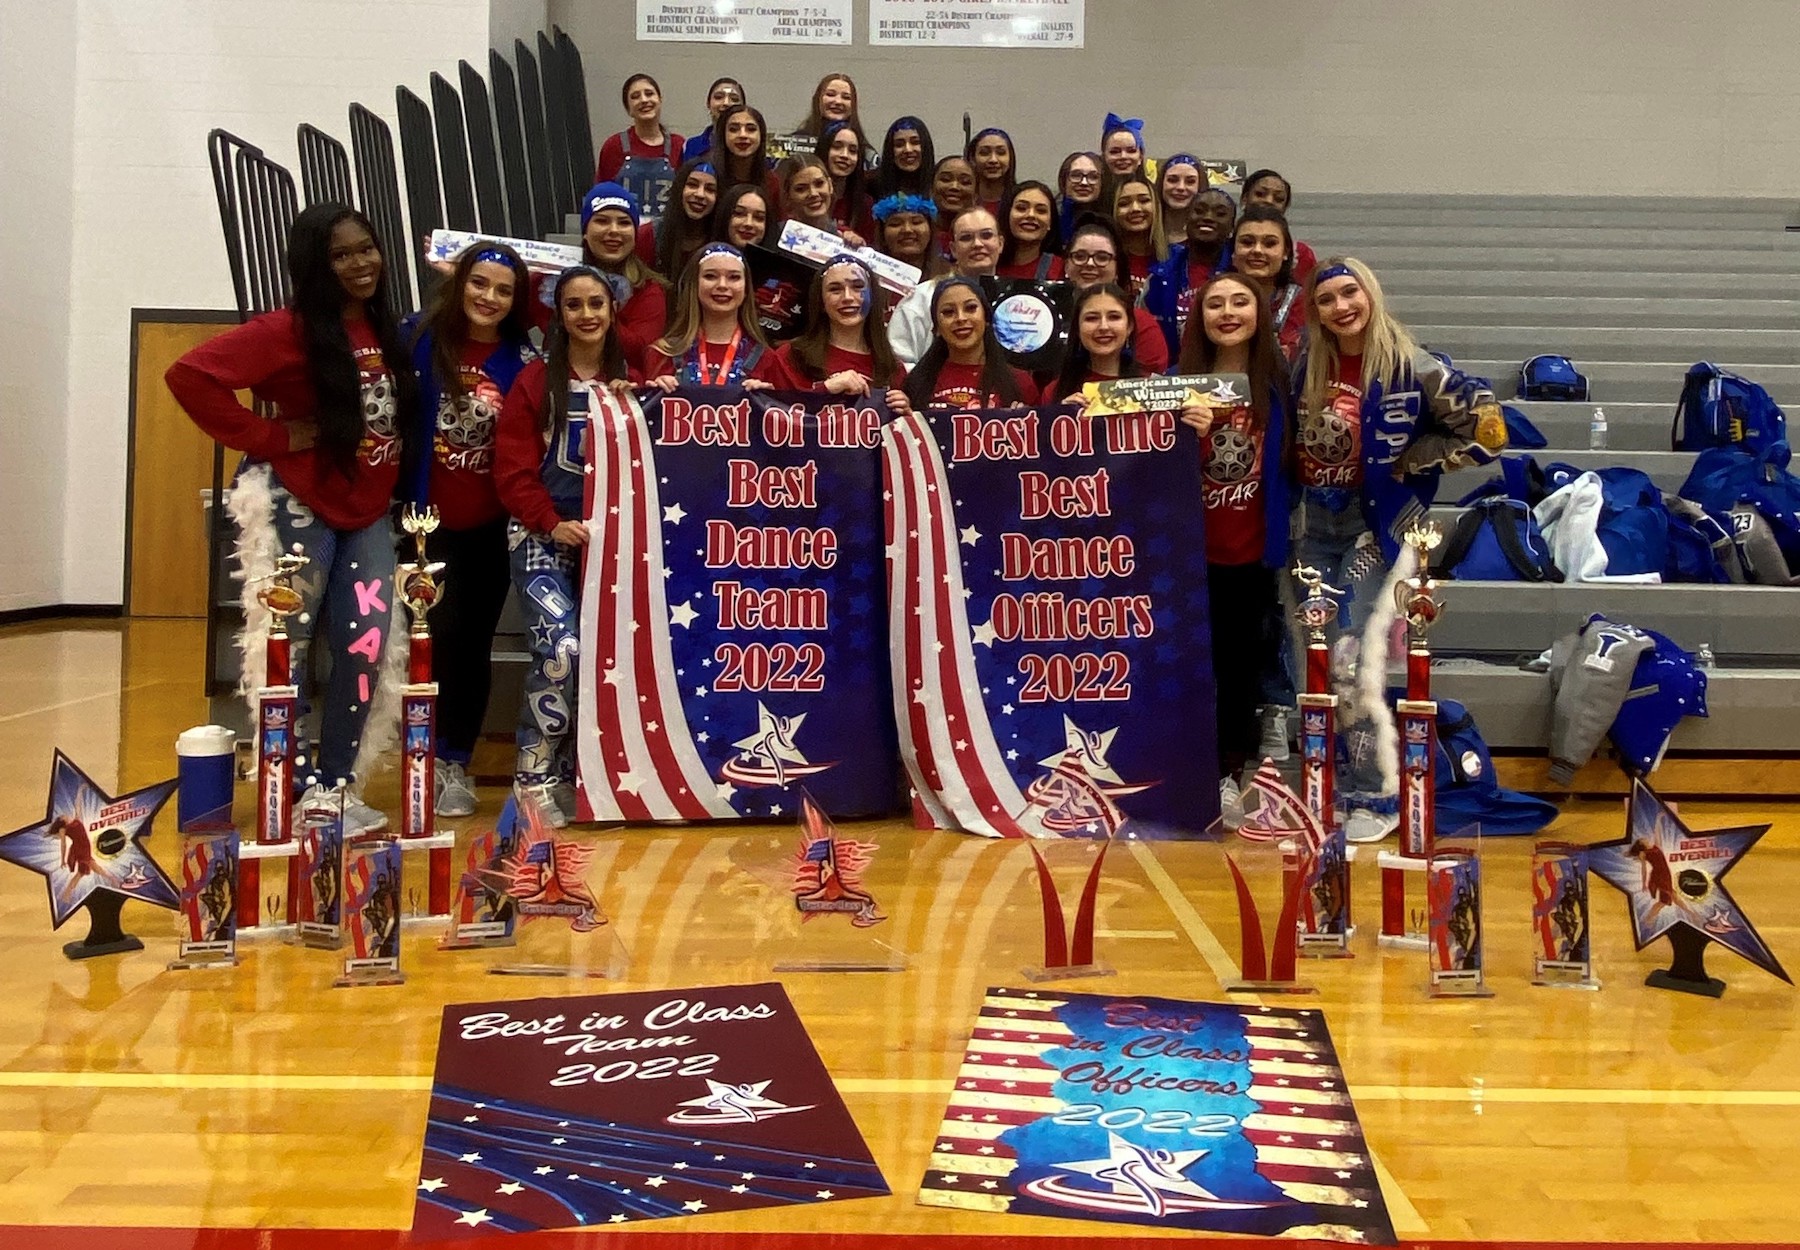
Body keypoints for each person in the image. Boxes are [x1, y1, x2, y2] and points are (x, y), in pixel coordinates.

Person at [166, 204, 418, 835]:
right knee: (289, 648)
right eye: (341, 255)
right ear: (315, 265)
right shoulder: (287, 330)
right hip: (298, 506)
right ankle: (289, 782)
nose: (361, 264)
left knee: (365, 647)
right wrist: (273, 435)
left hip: (368, 513)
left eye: (367, 248)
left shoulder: (389, 330)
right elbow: (189, 375)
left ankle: (334, 789)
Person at [1293, 256, 1507, 840]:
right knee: (1315, 663)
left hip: (1378, 530)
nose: (1341, 306)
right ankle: (1335, 785)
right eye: (1326, 299)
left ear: (1370, 292)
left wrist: (1417, 460)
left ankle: (1379, 796)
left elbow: (1490, 431)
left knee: (1353, 660)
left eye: (1349, 292)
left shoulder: (1413, 364)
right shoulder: (1307, 362)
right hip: (1312, 527)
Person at [493, 266, 636, 825]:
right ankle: (534, 775)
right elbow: (512, 471)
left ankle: (591, 770)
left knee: (612, 658)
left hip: (616, 544)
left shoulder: (635, 374)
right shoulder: (534, 382)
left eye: (596, 303)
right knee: (561, 650)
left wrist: (649, 399)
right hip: (541, 537)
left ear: (613, 308)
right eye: (574, 305)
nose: (587, 315)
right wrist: (550, 521)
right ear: (560, 315)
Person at [402, 242, 536, 817]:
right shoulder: (417, 338)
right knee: (425, 645)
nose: (489, 297)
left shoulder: (523, 357)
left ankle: (453, 760)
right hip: (419, 524)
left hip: (486, 525)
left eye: (503, 290)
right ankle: (416, 760)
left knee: (469, 643)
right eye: (479, 283)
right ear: (459, 284)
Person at [1176, 272, 1292, 819]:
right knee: (1192, 669)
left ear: (1259, 314)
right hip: (1185, 558)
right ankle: (1186, 770)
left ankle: (1229, 773)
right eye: (1214, 303)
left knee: (1241, 671)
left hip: (1250, 556)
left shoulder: (1280, 384)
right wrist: (1185, 438)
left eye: (1240, 302)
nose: (1227, 312)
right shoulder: (1174, 386)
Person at [762, 255, 911, 415]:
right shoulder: (790, 356)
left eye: (858, 287)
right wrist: (823, 390)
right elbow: (770, 421)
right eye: (835, 289)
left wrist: (905, 416)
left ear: (873, 298)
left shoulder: (893, 368)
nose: (847, 297)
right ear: (821, 302)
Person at [644, 243, 774, 388]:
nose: (722, 285)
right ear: (695, 285)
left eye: (734, 277)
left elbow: (786, 408)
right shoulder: (663, 353)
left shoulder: (767, 358)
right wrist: (655, 393)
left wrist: (768, 401)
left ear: (746, 289)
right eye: (710, 276)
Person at [889, 206, 1002, 366]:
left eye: (986, 235)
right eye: (966, 238)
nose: (977, 244)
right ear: (953, 249)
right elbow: (899, 363)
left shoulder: (1018, 301)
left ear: (1001, 243)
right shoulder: (920, 298)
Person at [901, 278, 1033, 410]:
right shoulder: (914, 384)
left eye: (970, 308)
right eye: (948, 312)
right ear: (937, 328)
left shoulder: (1021, 382)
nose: (961, 318)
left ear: (986, 318)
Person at [577, 182, 667, 374]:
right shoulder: (552, 282)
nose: (614, 230)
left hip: (624, 389)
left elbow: (641, 354)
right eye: (602, 221)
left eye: (624, 222)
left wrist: (603, 313)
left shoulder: (648, 290)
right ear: (585, 231)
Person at [1063, 216, 1169, 374]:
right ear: (1066, 265)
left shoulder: (1142, 324)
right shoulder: (1043, 314)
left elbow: (1151, 387)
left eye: (1102, 257)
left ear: (1117, 268)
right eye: (1079, 256)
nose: (1090, 264)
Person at [1142, 186, 1236, 361]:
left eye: (1220, 214)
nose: (1208, 217)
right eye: (1199, 211)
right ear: (1186, 221)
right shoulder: (1159, 277)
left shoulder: (1241, 275)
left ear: (1232, 228)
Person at [593, 73, 683, 220]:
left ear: (660, 100)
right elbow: (599, 199)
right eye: (635, 96)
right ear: (628, 109)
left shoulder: (679, 146)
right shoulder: (614, 146)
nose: (644, 100)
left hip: (667, 237)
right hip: (625, 236)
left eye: (649, 94)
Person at [1230, 205, 1306, 363]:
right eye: (1247, 242)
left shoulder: (1306, 303)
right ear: (1233, 250)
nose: (1257, 250)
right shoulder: (1212, 299)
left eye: (1269, 244)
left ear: (1286, 252)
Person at [639, 159, 718, 281]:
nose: (700, 194)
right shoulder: (648, 235)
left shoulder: (722, 240)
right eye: (692, 184)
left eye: (710, 189)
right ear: (679, 189)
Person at [1242, 168, 1318, 284]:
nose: (1269, 201)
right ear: (1245, 198)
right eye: (1260, 194)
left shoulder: (1302, 254)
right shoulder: (1223, 250)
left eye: (1278, 199)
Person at [1110, 174, 1167, 299]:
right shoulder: (1105, 259)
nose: (1135, 209)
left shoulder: (1176, 259)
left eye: (1144, 200)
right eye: (1124, 203)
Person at [711, 103, 780, 203]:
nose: (742, 135)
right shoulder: (708, 175)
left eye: (751, 129)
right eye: (733, 129)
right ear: (723, 135)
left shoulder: (771, 181)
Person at [996, 180, 1065, 280]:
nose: (1031, 215)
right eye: (1021, 208)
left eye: (1041, 210)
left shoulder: (1062, 268)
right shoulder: (988, 262)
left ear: (1050, 222)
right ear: (1007, 215)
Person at [819, 121, 874, 244]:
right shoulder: (807, 195)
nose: (845, 155)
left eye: (853, 151)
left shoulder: (865, 204)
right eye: (837, 147)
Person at [778, 154, 846, 243]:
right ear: (787, 196)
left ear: (830, 185)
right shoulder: (775, 235)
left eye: (819, 183)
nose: (813, 193)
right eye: (801, 189)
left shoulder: (844, 237)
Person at [873, 192, 941, 279]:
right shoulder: (866, 277)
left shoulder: (949, 274)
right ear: (882, 234)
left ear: (931, 230)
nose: (907, 230)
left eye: (916, 222)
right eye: (895, 224)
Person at [680, 76, 743, 164]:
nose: (726, 103)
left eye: (734, 99)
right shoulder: (692, 146)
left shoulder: (749, 143)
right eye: (718, 97)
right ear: (708, 104)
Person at [874, 116, 934, 200]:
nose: (908, 150)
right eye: (899, 144)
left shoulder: (938, 182)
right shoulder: (871, 185)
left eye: (915, 142)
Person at [930, 155, 977, 259]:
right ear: (931, 187)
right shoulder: (918, 233)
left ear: (976, 194)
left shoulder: (983, 238)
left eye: (965, 182)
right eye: (945, 179)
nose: (954, 187)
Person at [966, 127, 1017, 216]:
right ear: (972, 158)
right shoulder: (962, 201)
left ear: (1010, 158)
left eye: (1001, 153)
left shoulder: (1019, 202)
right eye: (985, 153)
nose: (993, 160)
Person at [798, 72, 862, 139]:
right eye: (830, 94)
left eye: (846, 97)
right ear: (818, 99)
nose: (838, 101)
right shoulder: (796, 143)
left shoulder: (862, 147)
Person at [1056, 151, 1105, 239]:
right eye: (1076, 175)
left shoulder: (1113, 218)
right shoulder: (1050, 216)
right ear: (1064, 180)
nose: (1084, 183)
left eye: (1093, 177)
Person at [1157, 154, 1204, 243]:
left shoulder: (1211, 235)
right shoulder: (1144, 232)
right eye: (1172, 180)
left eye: (1190, 181)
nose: (1180, 187)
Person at [1100, 113, 1147, 181]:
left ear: (1140, 156)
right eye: (1115, 152)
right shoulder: (1093, 190)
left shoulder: (1153, 191)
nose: (1123, 156)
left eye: (1131, 151)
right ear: (1104, 156)